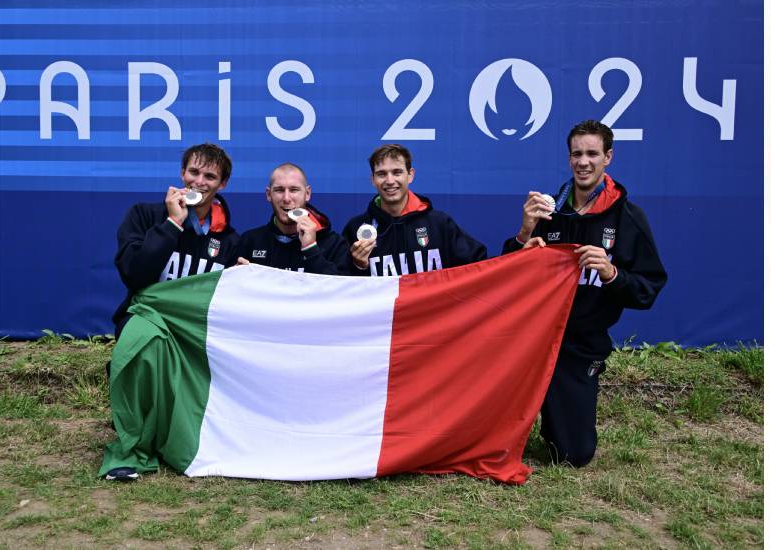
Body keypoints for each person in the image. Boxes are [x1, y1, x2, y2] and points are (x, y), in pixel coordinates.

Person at [502, 119, 667, 467]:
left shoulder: (626, 217)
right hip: (532, 338)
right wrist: (522, 235)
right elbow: (505, 276)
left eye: (592, 153)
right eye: (577, 153)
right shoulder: (549, 211)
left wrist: (611, 273)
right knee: (494, 438)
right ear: (569, 158)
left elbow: (647, 289)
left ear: (608, 157)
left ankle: (553, 410)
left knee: (573, 455)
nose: (583, 161)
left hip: (580, 346)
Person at [112, 143, 240, 339]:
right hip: (148, 318)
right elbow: (134, 276)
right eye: (194, 172)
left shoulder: (230, 241)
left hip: (197, 328)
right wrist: (172, 224)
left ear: (222, 183)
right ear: (182, 173)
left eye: (210, 176)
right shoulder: (144, 215)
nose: (199, 181)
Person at [343, 144, 486, 276]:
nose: (390, 180)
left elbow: (480, 267)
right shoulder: (356, 229)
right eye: (382, 174)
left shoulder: (439, 224)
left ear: (410, 175)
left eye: (397, 172)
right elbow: (340, 286)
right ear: (372, 179)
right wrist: (359, 265)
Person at [236, 163, 349, 274]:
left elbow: (339, 290)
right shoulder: (250, 241)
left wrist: (311, 249)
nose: (286, 198)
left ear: (307, 193)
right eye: (279, 190)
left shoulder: (334, 243)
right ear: (268, 194)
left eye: (294, 190)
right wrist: (237, 276)